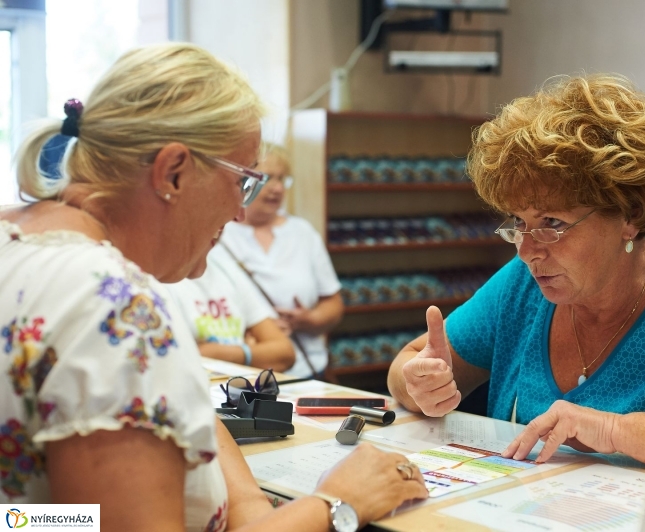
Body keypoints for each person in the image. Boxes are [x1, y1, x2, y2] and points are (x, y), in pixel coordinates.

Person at [0, 43, 426, 531]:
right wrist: (336, 503)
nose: (240, 212)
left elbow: (44, 518)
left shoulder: (16, 240)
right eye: (242, 181)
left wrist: (249, 507)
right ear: (173, 172)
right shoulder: (116, 310)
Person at [388, 74, 645, 466]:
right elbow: (408, 362)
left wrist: (614, 430)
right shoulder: (522, 287)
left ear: (630, 215)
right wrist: (419, 384)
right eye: (519, 222)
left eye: (552, 222)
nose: (526, 252)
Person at [221, 143, 344, 378]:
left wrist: (309, 320)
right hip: (243, 374)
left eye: (282, 179)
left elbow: (333, 302)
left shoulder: (302, 232)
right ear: (243, 181)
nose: (276, 188)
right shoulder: (220, 234)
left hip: (306, 369)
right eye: (267, 178)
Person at [167, 242, 296, 371]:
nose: (217, 233)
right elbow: (175, 361)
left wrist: (226, 353)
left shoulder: (226, 268)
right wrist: (250, 350)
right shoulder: (163, 277)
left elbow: (285, 353)